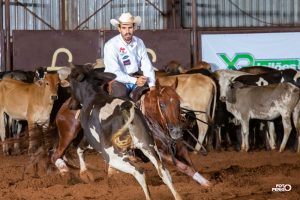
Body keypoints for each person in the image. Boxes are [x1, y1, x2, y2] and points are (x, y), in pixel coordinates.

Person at [104, 12, 156, 101]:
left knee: (146, 96)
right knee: (121, 95)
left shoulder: (139, 42)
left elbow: (147, 66)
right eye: (124, 28)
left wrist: (152, 86)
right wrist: (135, 81)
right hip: (117, 80)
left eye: (130, 27)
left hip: (135, 77)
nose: (127, 31)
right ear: (119, 29)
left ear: (134, 28)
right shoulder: (111, 45)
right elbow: (114, 72)